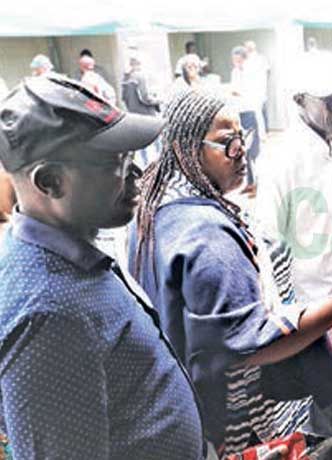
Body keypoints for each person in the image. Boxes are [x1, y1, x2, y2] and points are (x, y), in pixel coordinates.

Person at [130, 88, 332, 455]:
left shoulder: (159, 207)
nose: (242, 153)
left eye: (242, 139)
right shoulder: (206, 234)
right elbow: (249, 342)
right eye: (227, 143)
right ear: (183, 148)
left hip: (187, 406)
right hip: (230, 418)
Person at [0, 74, 204, 459]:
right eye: (115, 161)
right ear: (51, 182)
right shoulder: (46, 314)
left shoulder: (74, 246)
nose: (137, 173)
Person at [257, 51, 332, 460]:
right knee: (324, 440)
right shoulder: (281, 161)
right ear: (300, 102)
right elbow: (268, 251)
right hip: (315, 331)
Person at [230, 46, 262, 193]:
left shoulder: (251, 72)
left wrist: (239, 93)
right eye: (234, 60)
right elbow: (233, 91)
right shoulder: (235, 73)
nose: (236, 62)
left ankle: (257, 184)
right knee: (243, 150)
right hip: (239, 112)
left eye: (238, 59)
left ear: (244, 59)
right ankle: (250, 183)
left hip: (250, 111)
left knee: (253, 150)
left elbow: (250, 92)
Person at [122, 55, 162, 167]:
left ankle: (144, 165)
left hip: (134, 115)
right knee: (157, 140)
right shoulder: (140, 76)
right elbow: (145, 98)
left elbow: (123, 98)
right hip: (147, 114)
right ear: (139, 63)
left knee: (141, 143)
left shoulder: (126, 78)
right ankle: (159, 163)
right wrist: (158, 100)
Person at [244, 40, 271, 135]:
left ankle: (261, 133)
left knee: (257, 113)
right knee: (259, 112)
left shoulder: (251, 60)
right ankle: (261, 133)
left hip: (255, 90)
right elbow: (268, 72)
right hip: (258, 89)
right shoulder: (261, 58)